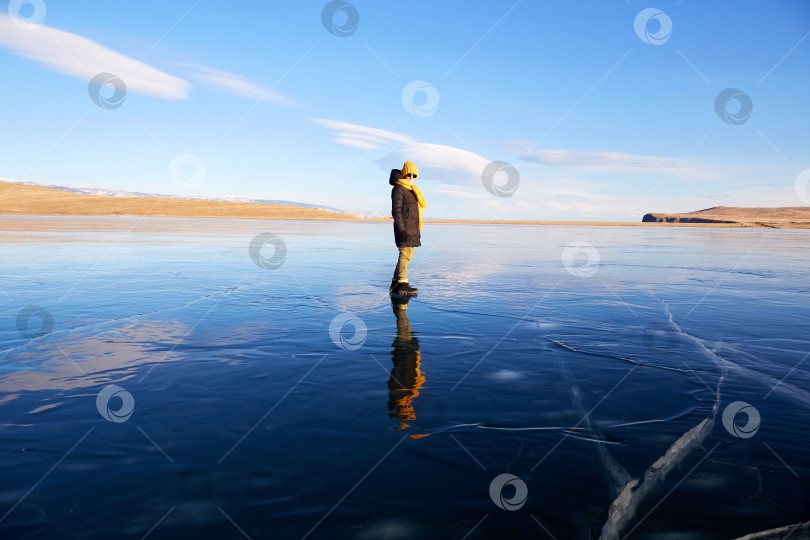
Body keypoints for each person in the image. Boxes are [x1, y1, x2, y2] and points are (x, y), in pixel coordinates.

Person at [390, 160, 427, 296]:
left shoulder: (411, 190)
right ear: (404, 174)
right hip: (404, 228)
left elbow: (413, 212)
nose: (411, 177)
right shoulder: (399, 189)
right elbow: (397, 211)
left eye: (414, 175)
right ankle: (403, 284)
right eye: (409, 174)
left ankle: (395, 283)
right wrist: (402, 230)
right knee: (405, 255)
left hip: (412, 228)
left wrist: (416, 229)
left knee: (407, 255)